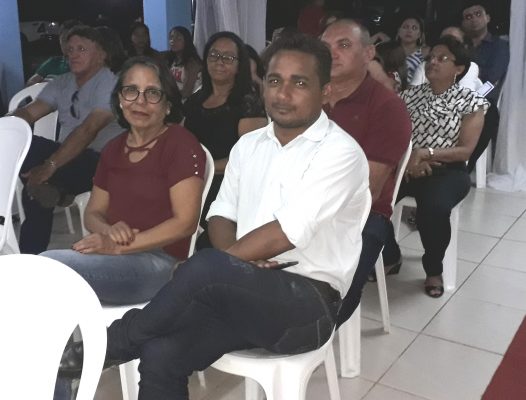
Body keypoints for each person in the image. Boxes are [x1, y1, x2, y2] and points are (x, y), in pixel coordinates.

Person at [59, 32, 370, 400]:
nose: (283, 93)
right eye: (274, 80)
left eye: (299, 83)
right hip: (241, 289)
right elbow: (221, 216)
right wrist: (234, 266)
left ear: (325, 91)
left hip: (308, 304)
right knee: (161, 353)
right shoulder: (249, 146)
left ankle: (110, 343)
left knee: (204, 266)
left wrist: (225, 266)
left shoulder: (340, 152)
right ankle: (115, 343)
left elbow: (284, 233)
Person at [41, 56, 205, 305]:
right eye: (131, 90)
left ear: (168, 106)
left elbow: (185, 223)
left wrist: (117, 247)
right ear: (119, 98)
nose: (140, 101)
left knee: (48, 268)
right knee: (41, 268)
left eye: (152, 93)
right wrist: (109, 231)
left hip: (161, 263)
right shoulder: (113, 149)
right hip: (114, 256)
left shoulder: (180, 144)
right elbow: (93, 213)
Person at [382, 36, 489, 298]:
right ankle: (391, 256)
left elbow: (465, 150)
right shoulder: (409, 96)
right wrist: (409, 161)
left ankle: (433, 269)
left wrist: (426, 154)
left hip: (447, 170)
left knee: (434, 209)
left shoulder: (471, 101)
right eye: (431, 58)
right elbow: (393, 135)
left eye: (442, 58)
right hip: (406, 166)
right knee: (370, 198)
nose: (433, 62)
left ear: (458, 68)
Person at [321, 19, 411, 326]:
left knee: (327, 299)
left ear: (369, 53)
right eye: (325, 47)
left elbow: (368, 190)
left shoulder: (386, 107)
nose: (332, 54)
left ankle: (307, 330)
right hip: (300, 202)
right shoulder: (308, 98)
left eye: (344, 45)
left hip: (362, 214)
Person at [9, 25, 122, 255]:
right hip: (66, 160)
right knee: (37, 183)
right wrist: (7, 125)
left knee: (36, 158)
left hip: (101, 164)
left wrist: (50, 165)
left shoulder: (110, 83)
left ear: (101, 54)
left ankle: (31, 253)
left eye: (82, 49)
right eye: (69, 50)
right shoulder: (62, 83)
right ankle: (32, 255)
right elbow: (29, 113)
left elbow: (88, 130)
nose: (73, 54)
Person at [183, 31, 267, 249]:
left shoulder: (248, 104)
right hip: (192, 180)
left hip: (227, 187)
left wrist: (203, 168)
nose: (219, 62)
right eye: (214, 55)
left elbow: (250, 160)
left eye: (228, 57)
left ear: (239, 65)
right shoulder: (195, 101)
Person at [461, 1, 510, 171]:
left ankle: (464, 167)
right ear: (463, 23)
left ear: (487, 18)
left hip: (483, 98)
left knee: (487, 117)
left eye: (478, 14)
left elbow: (492, 79)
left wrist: (474, 97)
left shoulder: (499, 46)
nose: (473, 19)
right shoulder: (461, 45)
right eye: (468, 17)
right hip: (456, 95)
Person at [411, 26, 482, 91]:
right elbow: (411, 96)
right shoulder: (425, 65)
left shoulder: (470, 67)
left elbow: (464, 97)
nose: (446, 43)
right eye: (444, 39)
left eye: (453, 40)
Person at [25, 20, 82, 87]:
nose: (67, 45)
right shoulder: (53, 63)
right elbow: (30, 83)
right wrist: (43, 85)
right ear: (59, 41)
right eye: (64, 40)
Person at [163, 26, 202, 100]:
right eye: (171, 37)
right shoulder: (171, 60)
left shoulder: (192, 63)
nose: (173, 41)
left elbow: (187, 92)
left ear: (186, 41)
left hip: (189, 101)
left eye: (178, 38)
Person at [397, 15, 428, 84]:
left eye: (414, 28)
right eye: (405, 27)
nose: (409, 31)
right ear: (399, 31)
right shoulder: (389, 50)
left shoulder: (425, 52)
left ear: (419, 34)